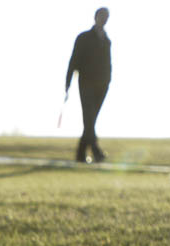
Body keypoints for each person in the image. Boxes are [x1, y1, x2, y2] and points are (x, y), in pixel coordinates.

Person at [66, 7, 111, 163]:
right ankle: (97, 152)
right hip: (86, 84)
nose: (104, 19)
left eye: (107, 16)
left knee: (90, 121)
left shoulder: (107, 41)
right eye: (102, 16)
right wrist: (67, 84)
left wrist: (108, 80)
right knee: (89, 118)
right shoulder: (84, 38)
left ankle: (80, 154)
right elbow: (73, 61)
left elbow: (108, 63)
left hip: (102, 85)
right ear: (95, 17)